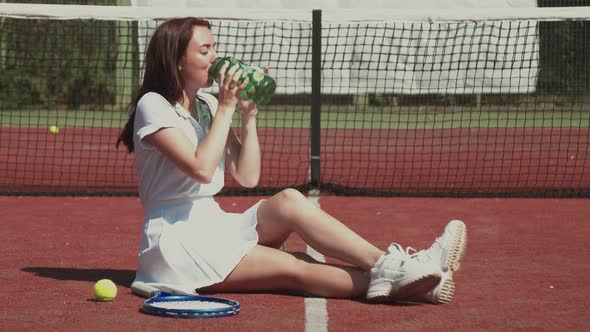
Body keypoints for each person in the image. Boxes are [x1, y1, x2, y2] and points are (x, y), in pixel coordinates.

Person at [116, 17, 467, 304]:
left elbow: (248, 176)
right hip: (178, 244)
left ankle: (395, 267)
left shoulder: (207, 105)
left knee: (289, 200)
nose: (216, 57)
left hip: (214, 223)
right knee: (294, 268)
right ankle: (405, 278)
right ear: (178, 59)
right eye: (205, 50)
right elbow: (201, 168)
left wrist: (247, 116)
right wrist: (225, 107)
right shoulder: (154, 105)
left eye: (215, 47)